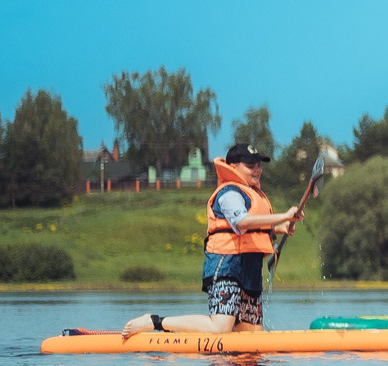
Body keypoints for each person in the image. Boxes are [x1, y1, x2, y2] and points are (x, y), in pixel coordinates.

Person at [121, 142, 300, 337]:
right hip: (227, 266)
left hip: (250, 269)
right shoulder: (229, 193)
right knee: (220, 327)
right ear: (233, 168)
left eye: (259, 165)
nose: (257, 170)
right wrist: (284, 216)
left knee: (252, 333)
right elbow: (241, 222)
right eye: (250, 166)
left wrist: (277, 229)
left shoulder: (253, 194)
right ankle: (155, 321)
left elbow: (251, 233)